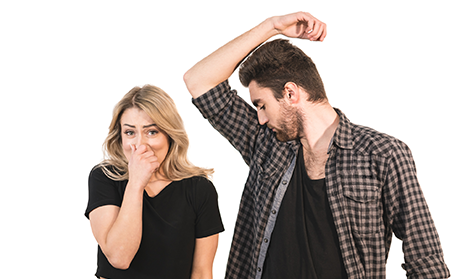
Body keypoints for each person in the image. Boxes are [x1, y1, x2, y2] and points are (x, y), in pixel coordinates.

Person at [184, 12, 450, 279]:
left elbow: (425, 259)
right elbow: (199, 81)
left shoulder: (382, 154)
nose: (261, 119)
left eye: (262, 105)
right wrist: (272, 26)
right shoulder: (266, 145)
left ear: (291, 93)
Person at [85, 85, 224, 279]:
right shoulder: (105, 177)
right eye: (130, 132)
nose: (140, 144)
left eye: (152, 132)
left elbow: (201, 273)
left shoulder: (199, 189)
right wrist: (136, 183)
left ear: (170, 134)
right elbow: (119, 257)